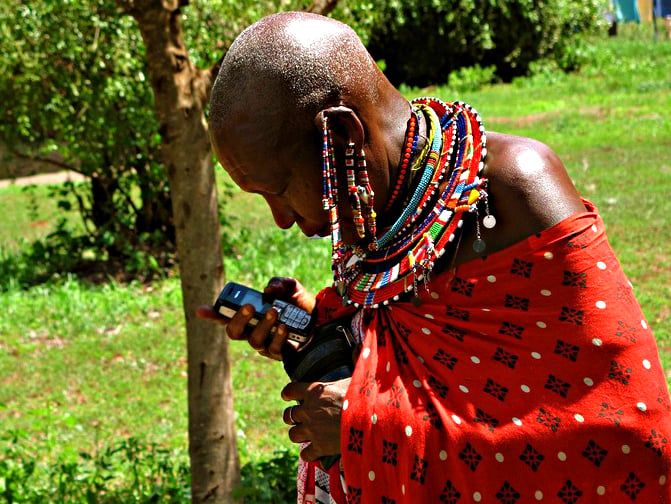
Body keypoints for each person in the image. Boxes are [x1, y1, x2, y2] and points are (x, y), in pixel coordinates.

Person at [199, 11, 671, 504]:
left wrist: (370, 429)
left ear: (343, 135)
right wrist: (324, 332)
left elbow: (626, 437)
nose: (278, 218)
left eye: (278, 190)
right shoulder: (371, 209)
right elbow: (410, 343)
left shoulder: (514, 192)